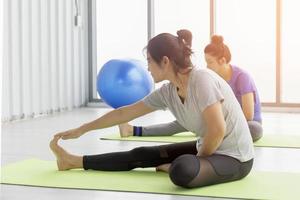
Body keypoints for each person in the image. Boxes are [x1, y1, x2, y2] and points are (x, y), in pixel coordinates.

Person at [50, 30, 254, 188]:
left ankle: (175, 166)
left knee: (183, 169)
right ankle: (74, 161)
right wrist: (82, 129)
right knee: (142, 153)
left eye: (149, 61)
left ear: (165, 61)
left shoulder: (201, 80)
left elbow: (218, 131)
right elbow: (124, 113)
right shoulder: (167, 92)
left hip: (234, 158)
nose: (147, 68)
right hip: (209, 147)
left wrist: (197, 160)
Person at [120, 35, 263, 142]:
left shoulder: (242, 77)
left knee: (254, 130)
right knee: (179, 123)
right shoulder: (209, 78)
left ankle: (211, 133)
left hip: (244, 124)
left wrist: (213, 122)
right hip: (214, 119)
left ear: (223, 61)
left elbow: (248, 115)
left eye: (210, 62)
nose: (207, 67)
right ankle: (132, 130)